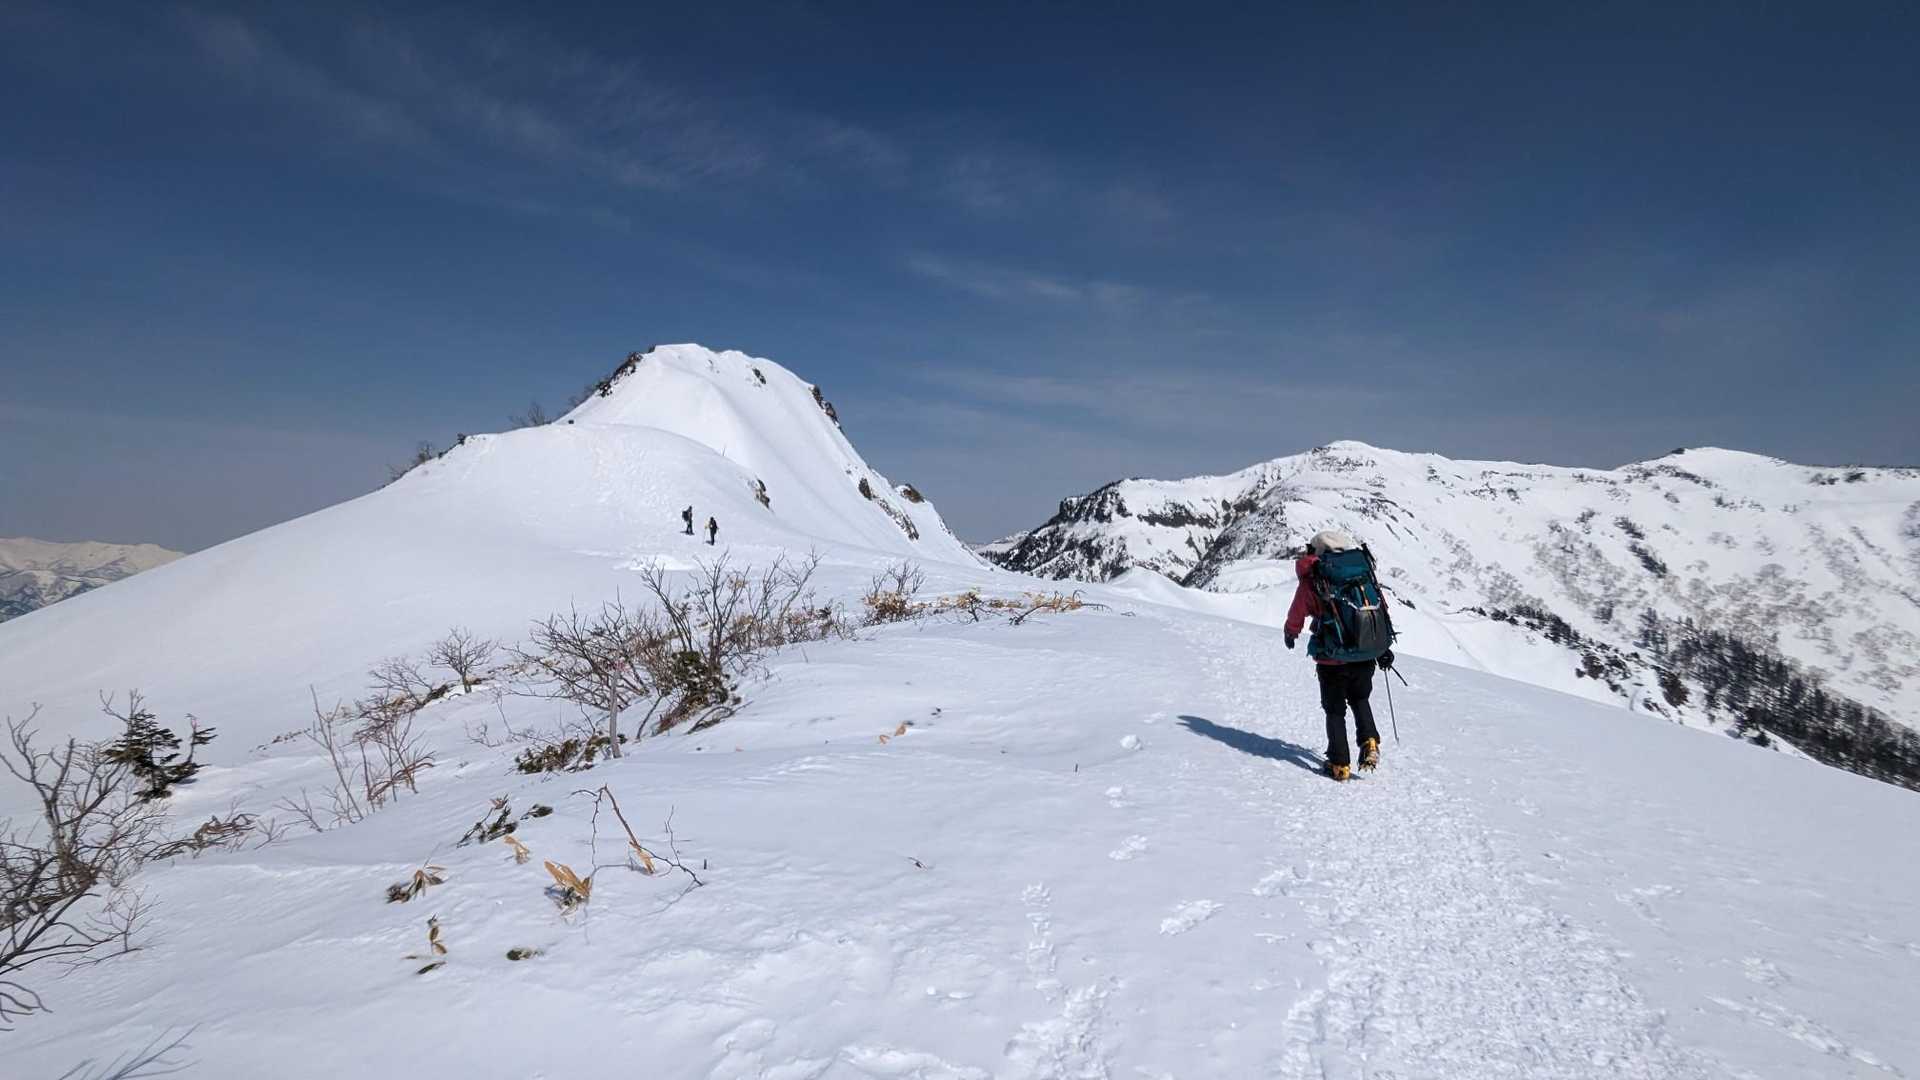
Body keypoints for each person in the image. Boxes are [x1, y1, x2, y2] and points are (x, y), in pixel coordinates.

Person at [1283, 530, 1396, 781]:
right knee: (1359, 698)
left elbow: (1297, 611)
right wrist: (1383, 648)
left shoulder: (1315, 577)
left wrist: (1291, 632)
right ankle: (1369, 740)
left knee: (1334, 710)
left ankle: (1339, 764)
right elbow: (1379, 610)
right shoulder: (1361, 573)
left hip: (1332, 657)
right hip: (1365, 655)